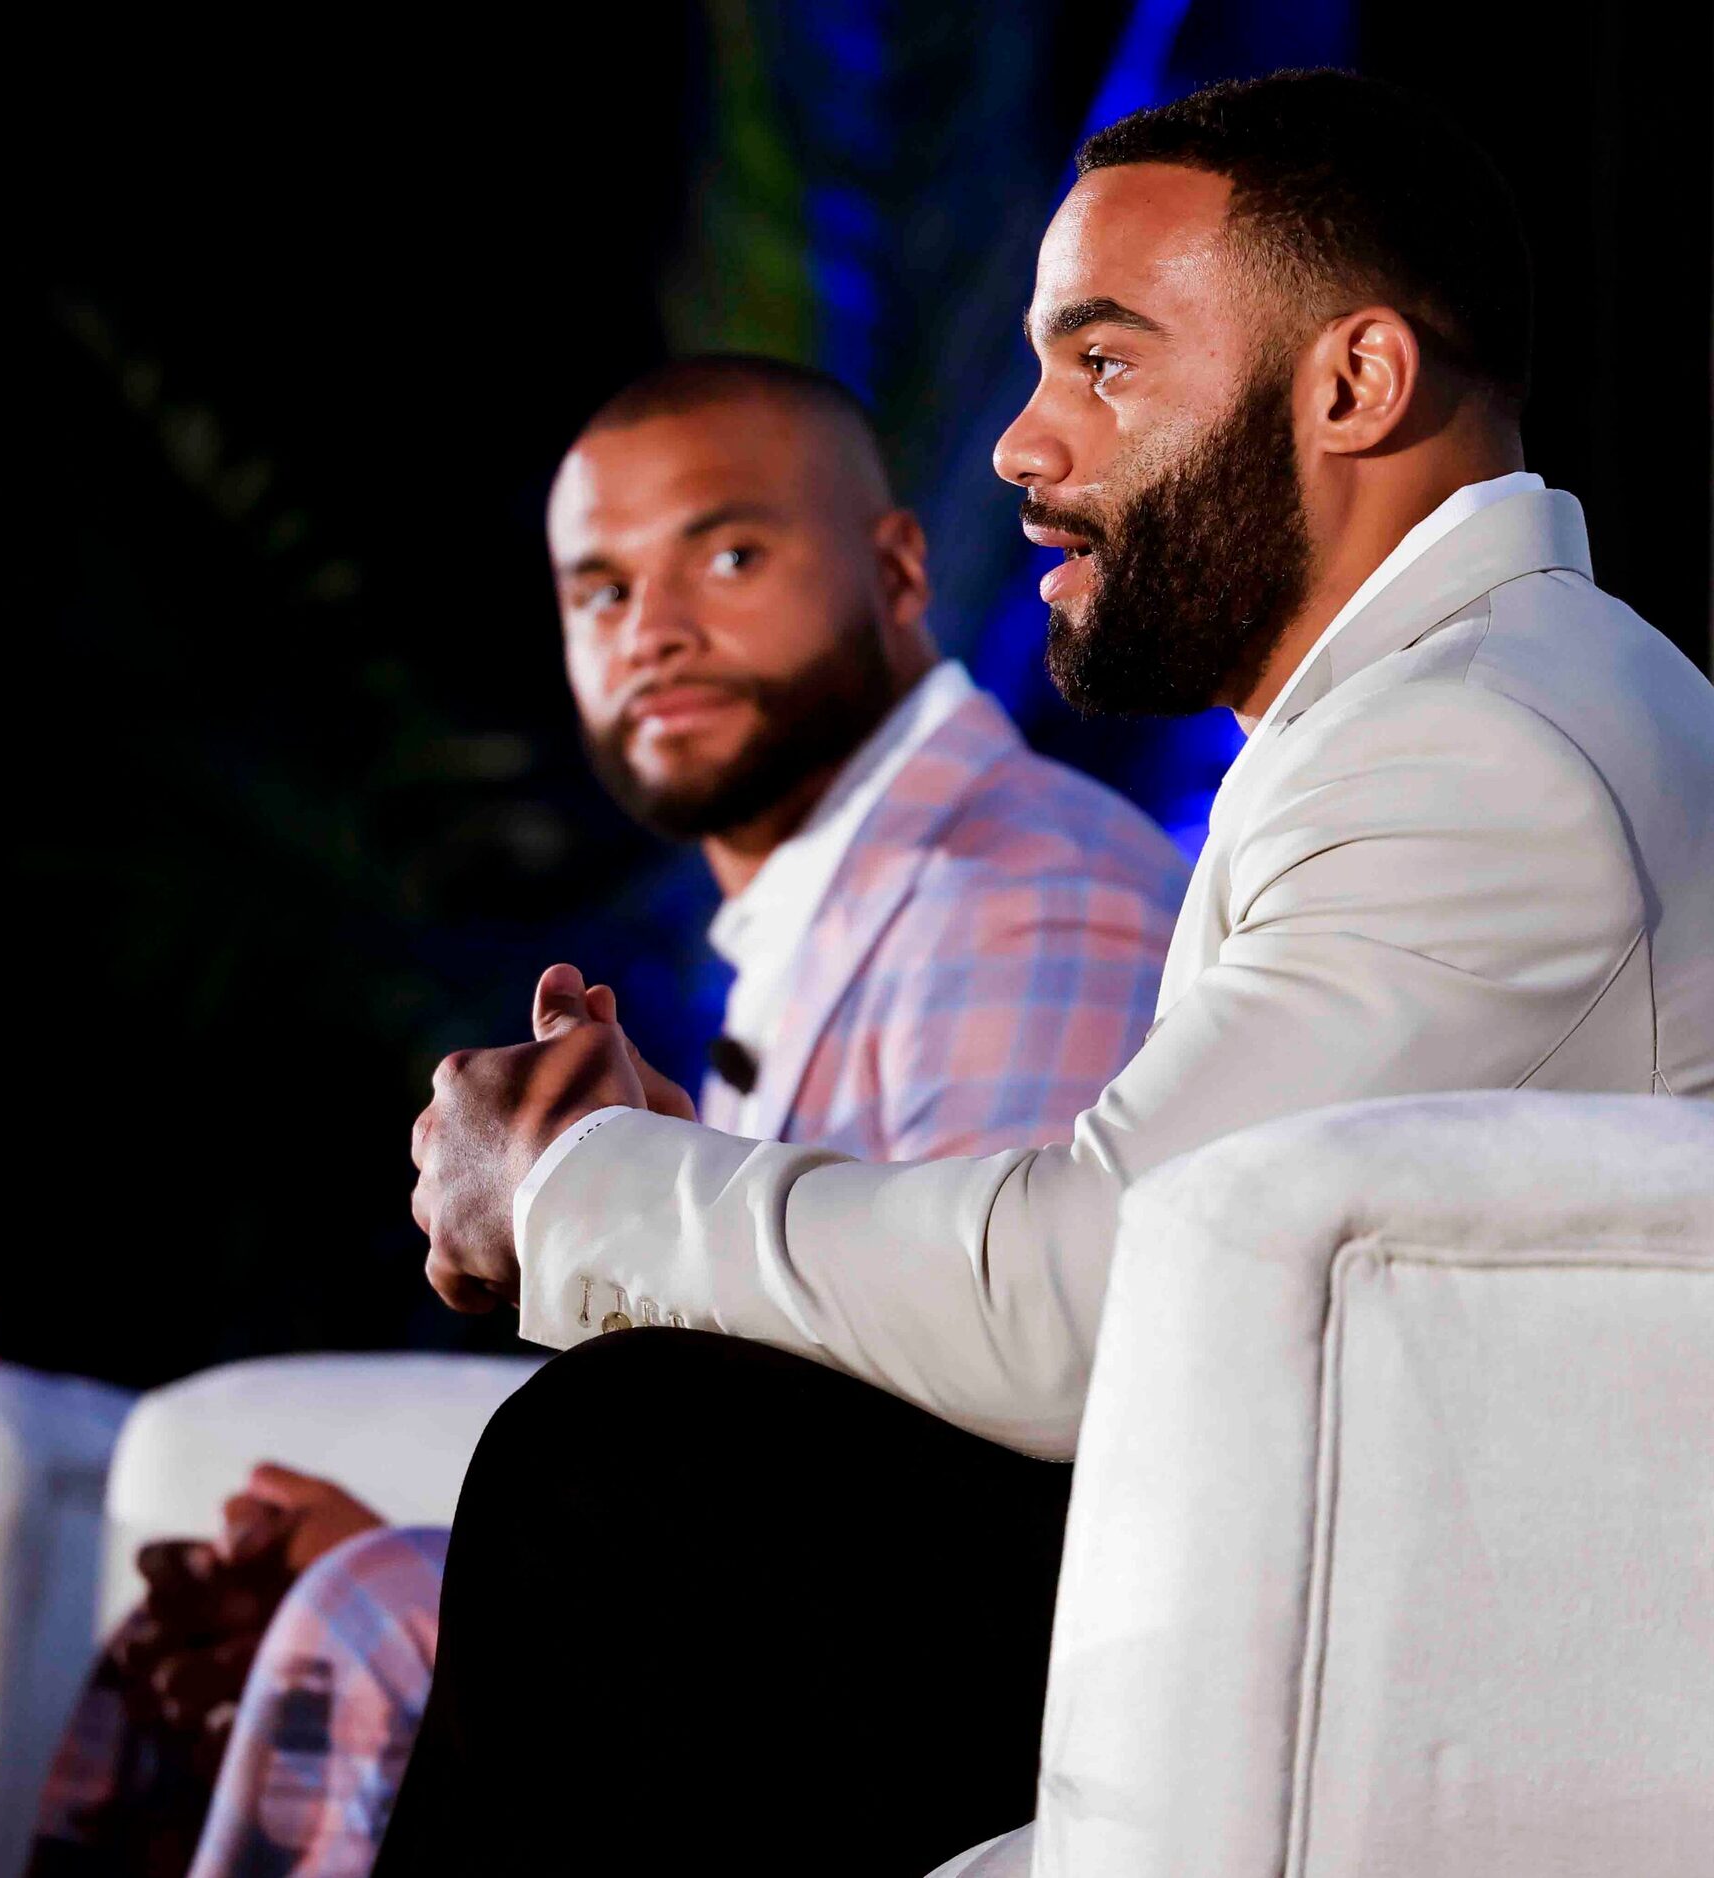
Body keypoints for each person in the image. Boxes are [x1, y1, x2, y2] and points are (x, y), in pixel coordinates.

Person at [391, 71, 1714, 1873]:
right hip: (1363, 1581)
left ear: (1354, 384)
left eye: (1102, 363)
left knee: (641, 1467)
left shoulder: (1474, 756)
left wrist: (574, 1184)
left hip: (1436, 1653)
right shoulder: (1476, 706)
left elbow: (1099, 1304)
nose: (1021, 445)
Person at [32, 360, 1191, 1877]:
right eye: (597, 586)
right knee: (284, 1617)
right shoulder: (845, 915)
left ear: (899, 569)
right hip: (844, 1634)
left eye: (728, 554)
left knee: (371, 1616)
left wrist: (432, 1583)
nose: (650, 627)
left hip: (1002, 1692)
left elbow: (961, 1495)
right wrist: (425, 1550)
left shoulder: (1017, 889)